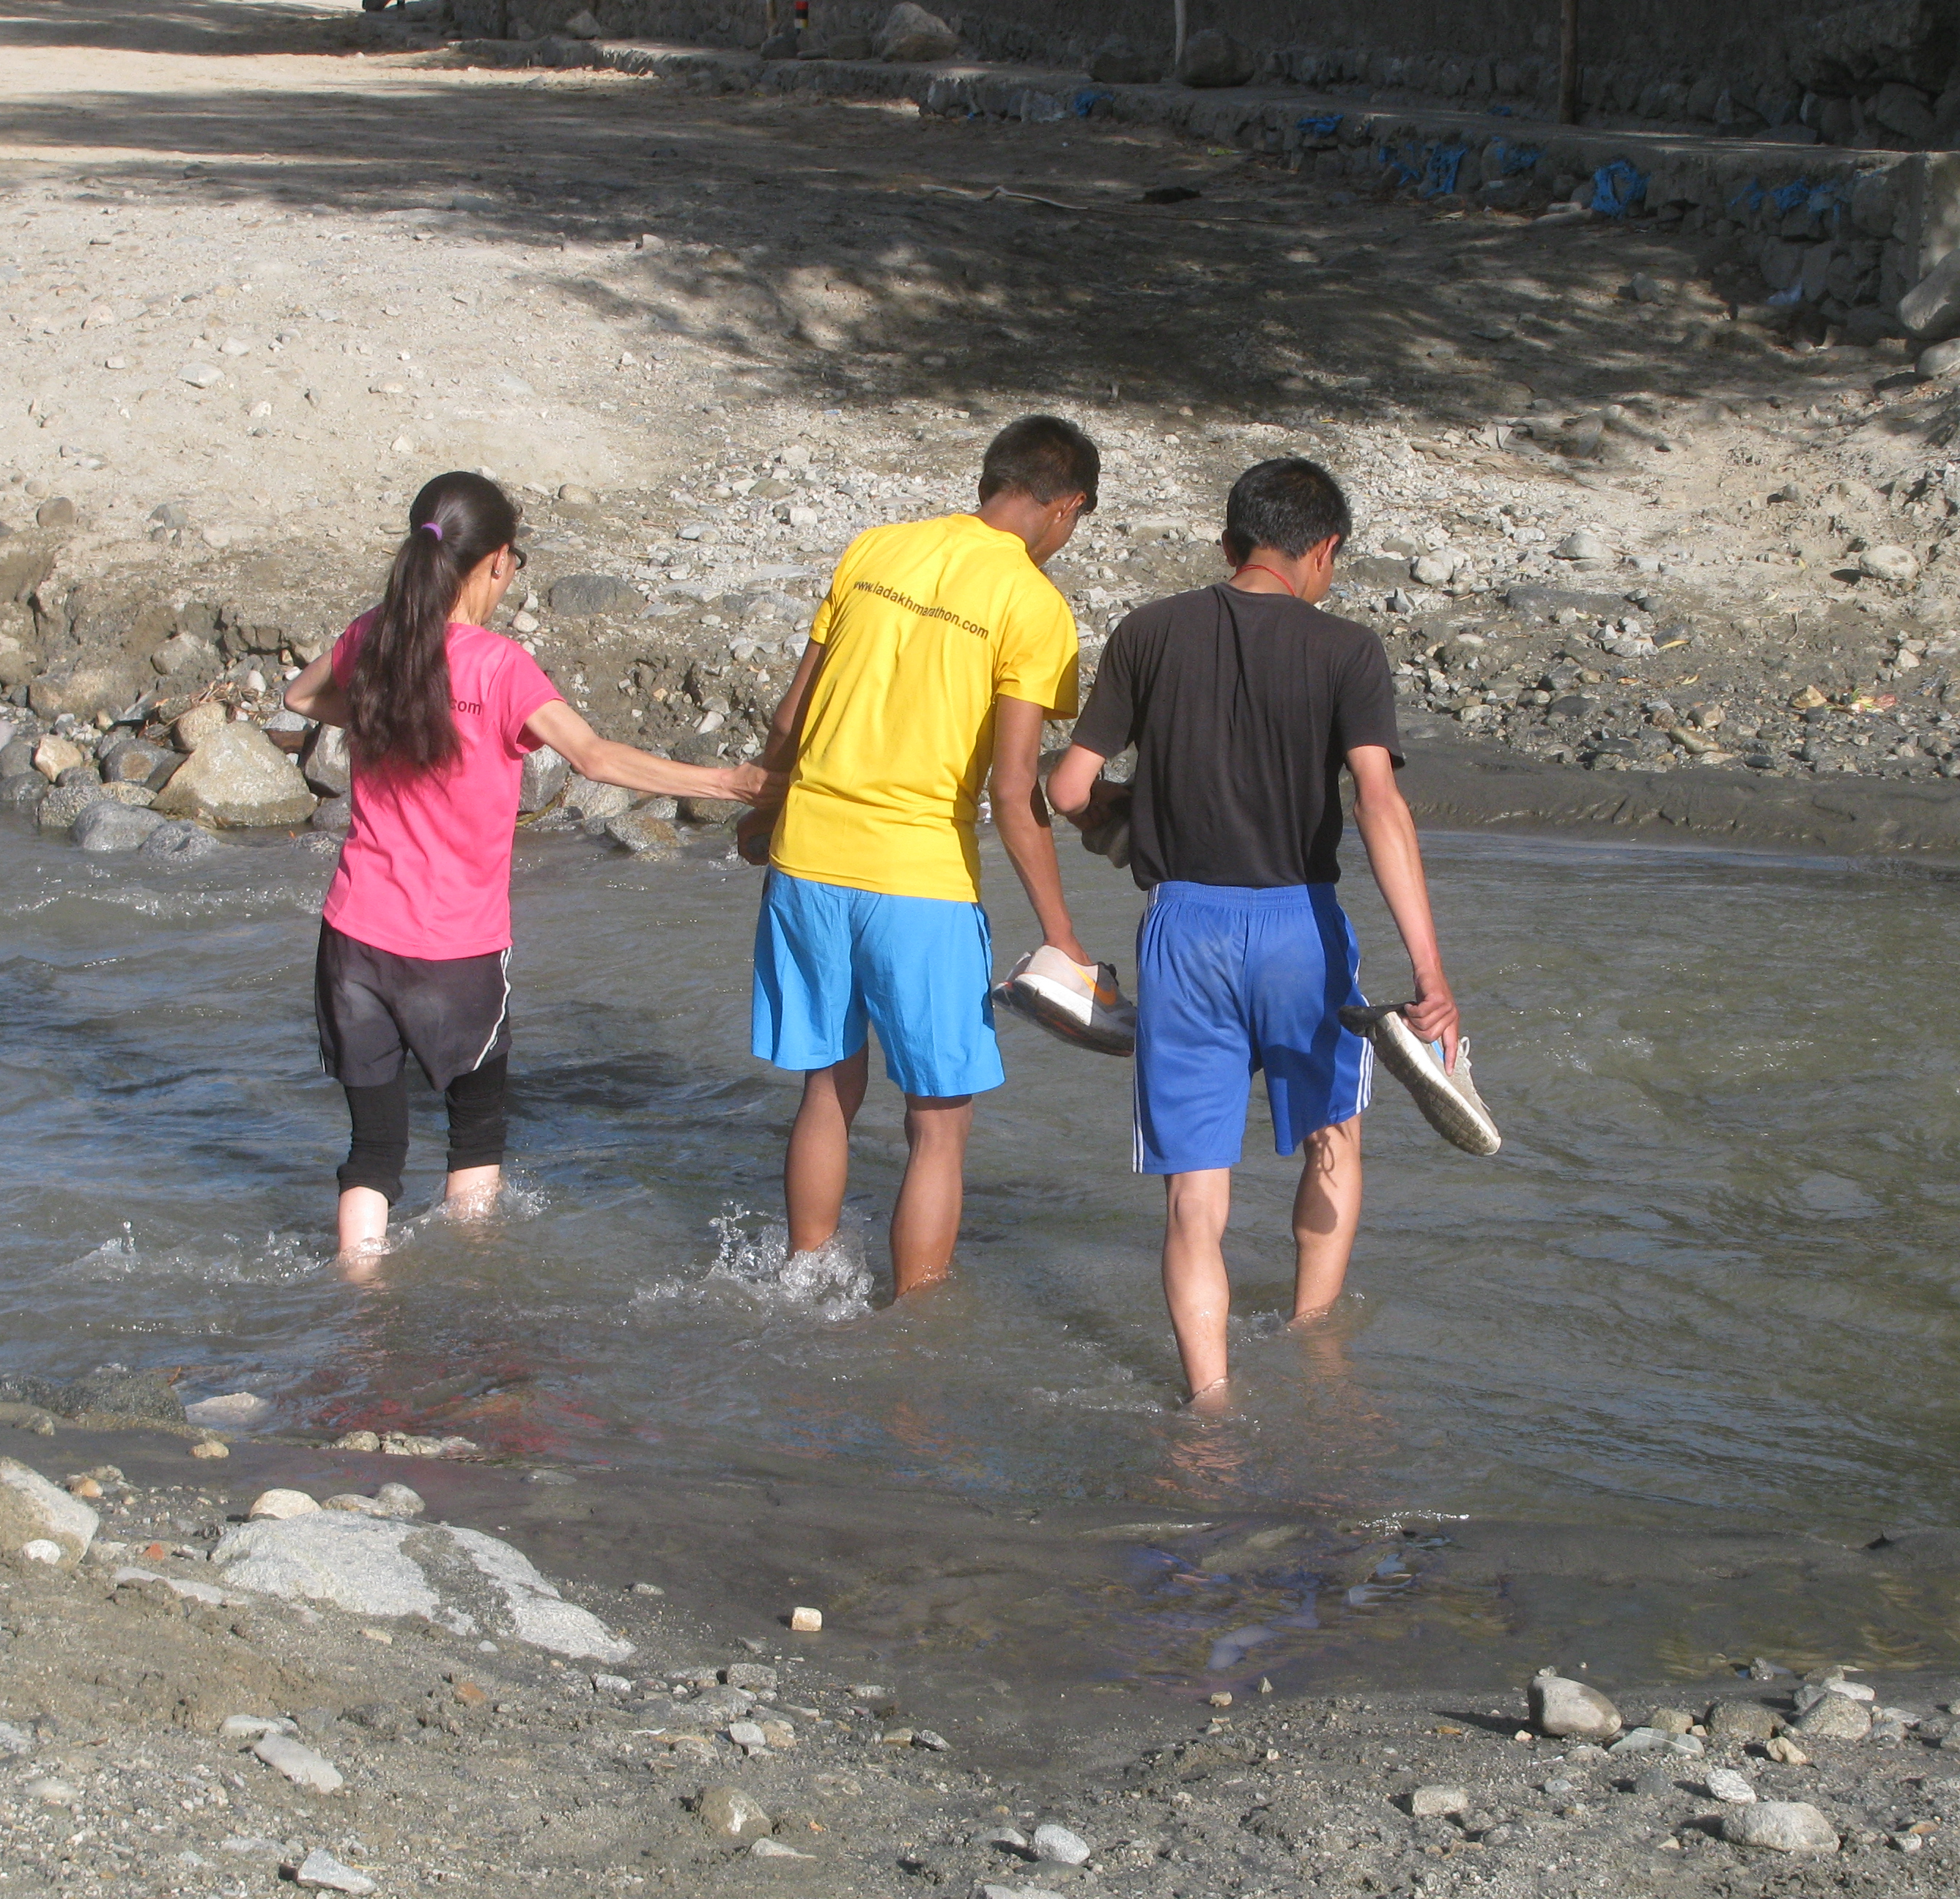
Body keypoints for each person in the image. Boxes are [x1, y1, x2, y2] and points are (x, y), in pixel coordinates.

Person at [1046, 456, 1462, 1407]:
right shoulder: (1347, 651)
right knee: (1332, 1139)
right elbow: (1379, 805)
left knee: (1195, 1196)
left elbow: (1067, 788)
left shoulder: (1149, 632)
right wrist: (1430, 973)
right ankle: (1316, 1351)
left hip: (1182, 927)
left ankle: (1210, 1406)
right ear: (1324, 550)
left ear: (1230, 545)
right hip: (1300, 927)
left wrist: (1121, 815)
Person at [284, 470, 770, 1271]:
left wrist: (385, 708)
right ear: (498, 562)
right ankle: (475, 1294)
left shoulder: (372, 636)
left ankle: (358, 1304)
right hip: (456, 950)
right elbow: (595, 757)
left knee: (372, 1151)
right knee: (474, 1138)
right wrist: (730, 782)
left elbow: (302, 699)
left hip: (353, 940)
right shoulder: (499, 667)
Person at [745, 415, 1101, 1297]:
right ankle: (916, 1327)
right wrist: (1062, 936)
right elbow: (1013, 792)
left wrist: (762, 816)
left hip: (807, 861)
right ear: (1067, 507)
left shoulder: (875, 549)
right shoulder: (1032, 604)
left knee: (827, 1090)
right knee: (938, 1125)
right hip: (920, 880)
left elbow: (792, 714)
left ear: (990, 482)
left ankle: (801, 1283)